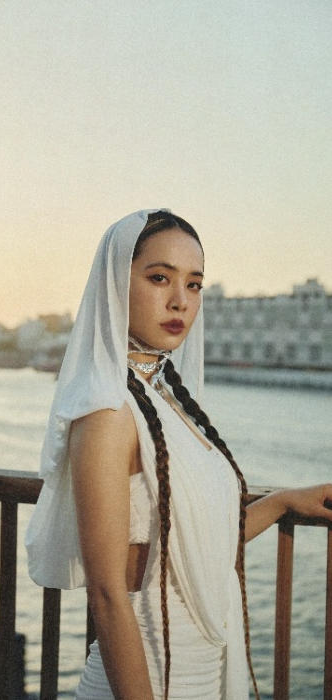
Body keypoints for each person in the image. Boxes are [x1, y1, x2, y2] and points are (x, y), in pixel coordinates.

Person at [25, 209, 332, 700]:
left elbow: (192, 547)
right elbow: (107, 596)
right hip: (142, 684)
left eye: (194, 284)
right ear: (115, 283)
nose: (180, 301)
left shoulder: (166, 400)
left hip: (202, 679)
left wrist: (279, 503)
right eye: (159, 278)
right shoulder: (107, 415)